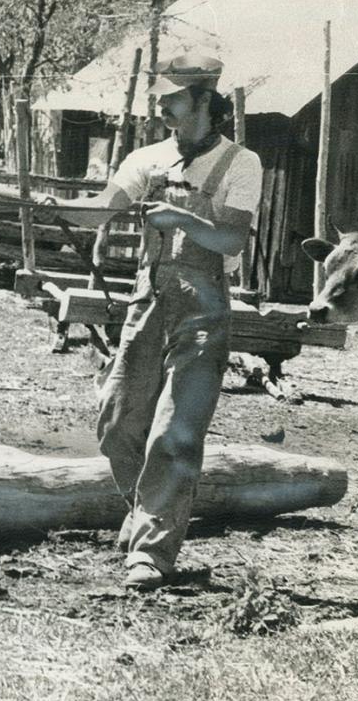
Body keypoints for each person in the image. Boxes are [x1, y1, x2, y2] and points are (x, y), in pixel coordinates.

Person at [56, 52, 264, 591]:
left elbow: (232, 240)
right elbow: (103, 206)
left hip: (204, 306)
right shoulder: (145, 159)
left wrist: (181, 218)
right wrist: (55, 206)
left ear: (202, 102)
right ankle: (146, 510)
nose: (163, 106)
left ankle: (151, 551)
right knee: (117, 421)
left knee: (175, 433)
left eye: (173, 98)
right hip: (147, 300)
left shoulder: (241, 163)